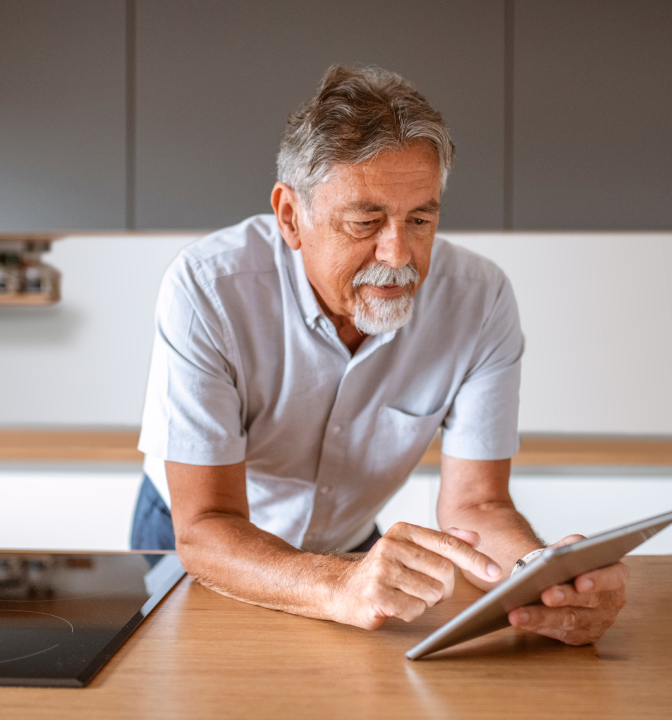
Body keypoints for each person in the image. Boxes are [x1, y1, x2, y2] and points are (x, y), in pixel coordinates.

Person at [133, 65, 627, 645]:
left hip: (346, 548)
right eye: (366, 220)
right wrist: (335, 586)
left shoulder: (481, 299)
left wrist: (540, 577)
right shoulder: (208, 289)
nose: (398, 255)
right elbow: (207, 526)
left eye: (421, 218)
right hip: (204, 538)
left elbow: (477, 504)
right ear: (292, 217)